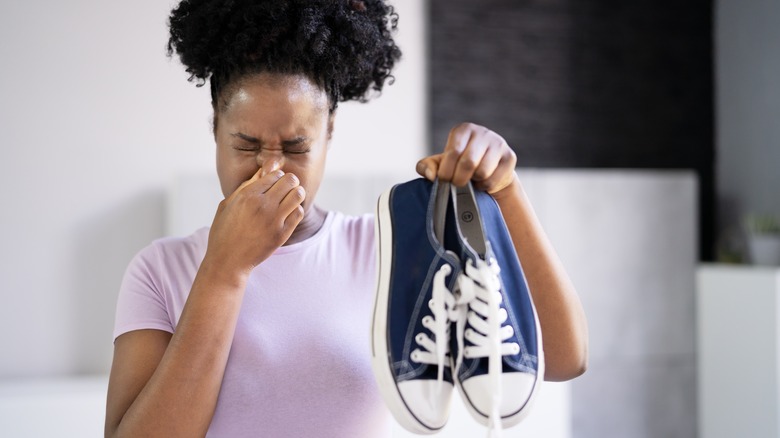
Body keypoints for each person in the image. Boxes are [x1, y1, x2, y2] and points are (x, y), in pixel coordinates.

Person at [104, 0, 588, 436]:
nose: (270, 168)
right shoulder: (160, 270)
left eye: (296, 147)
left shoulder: (388, 247)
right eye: (246, 145)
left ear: (329, 133)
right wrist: (224, 271)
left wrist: (505, 190)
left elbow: (565, 357)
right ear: (215, 126)